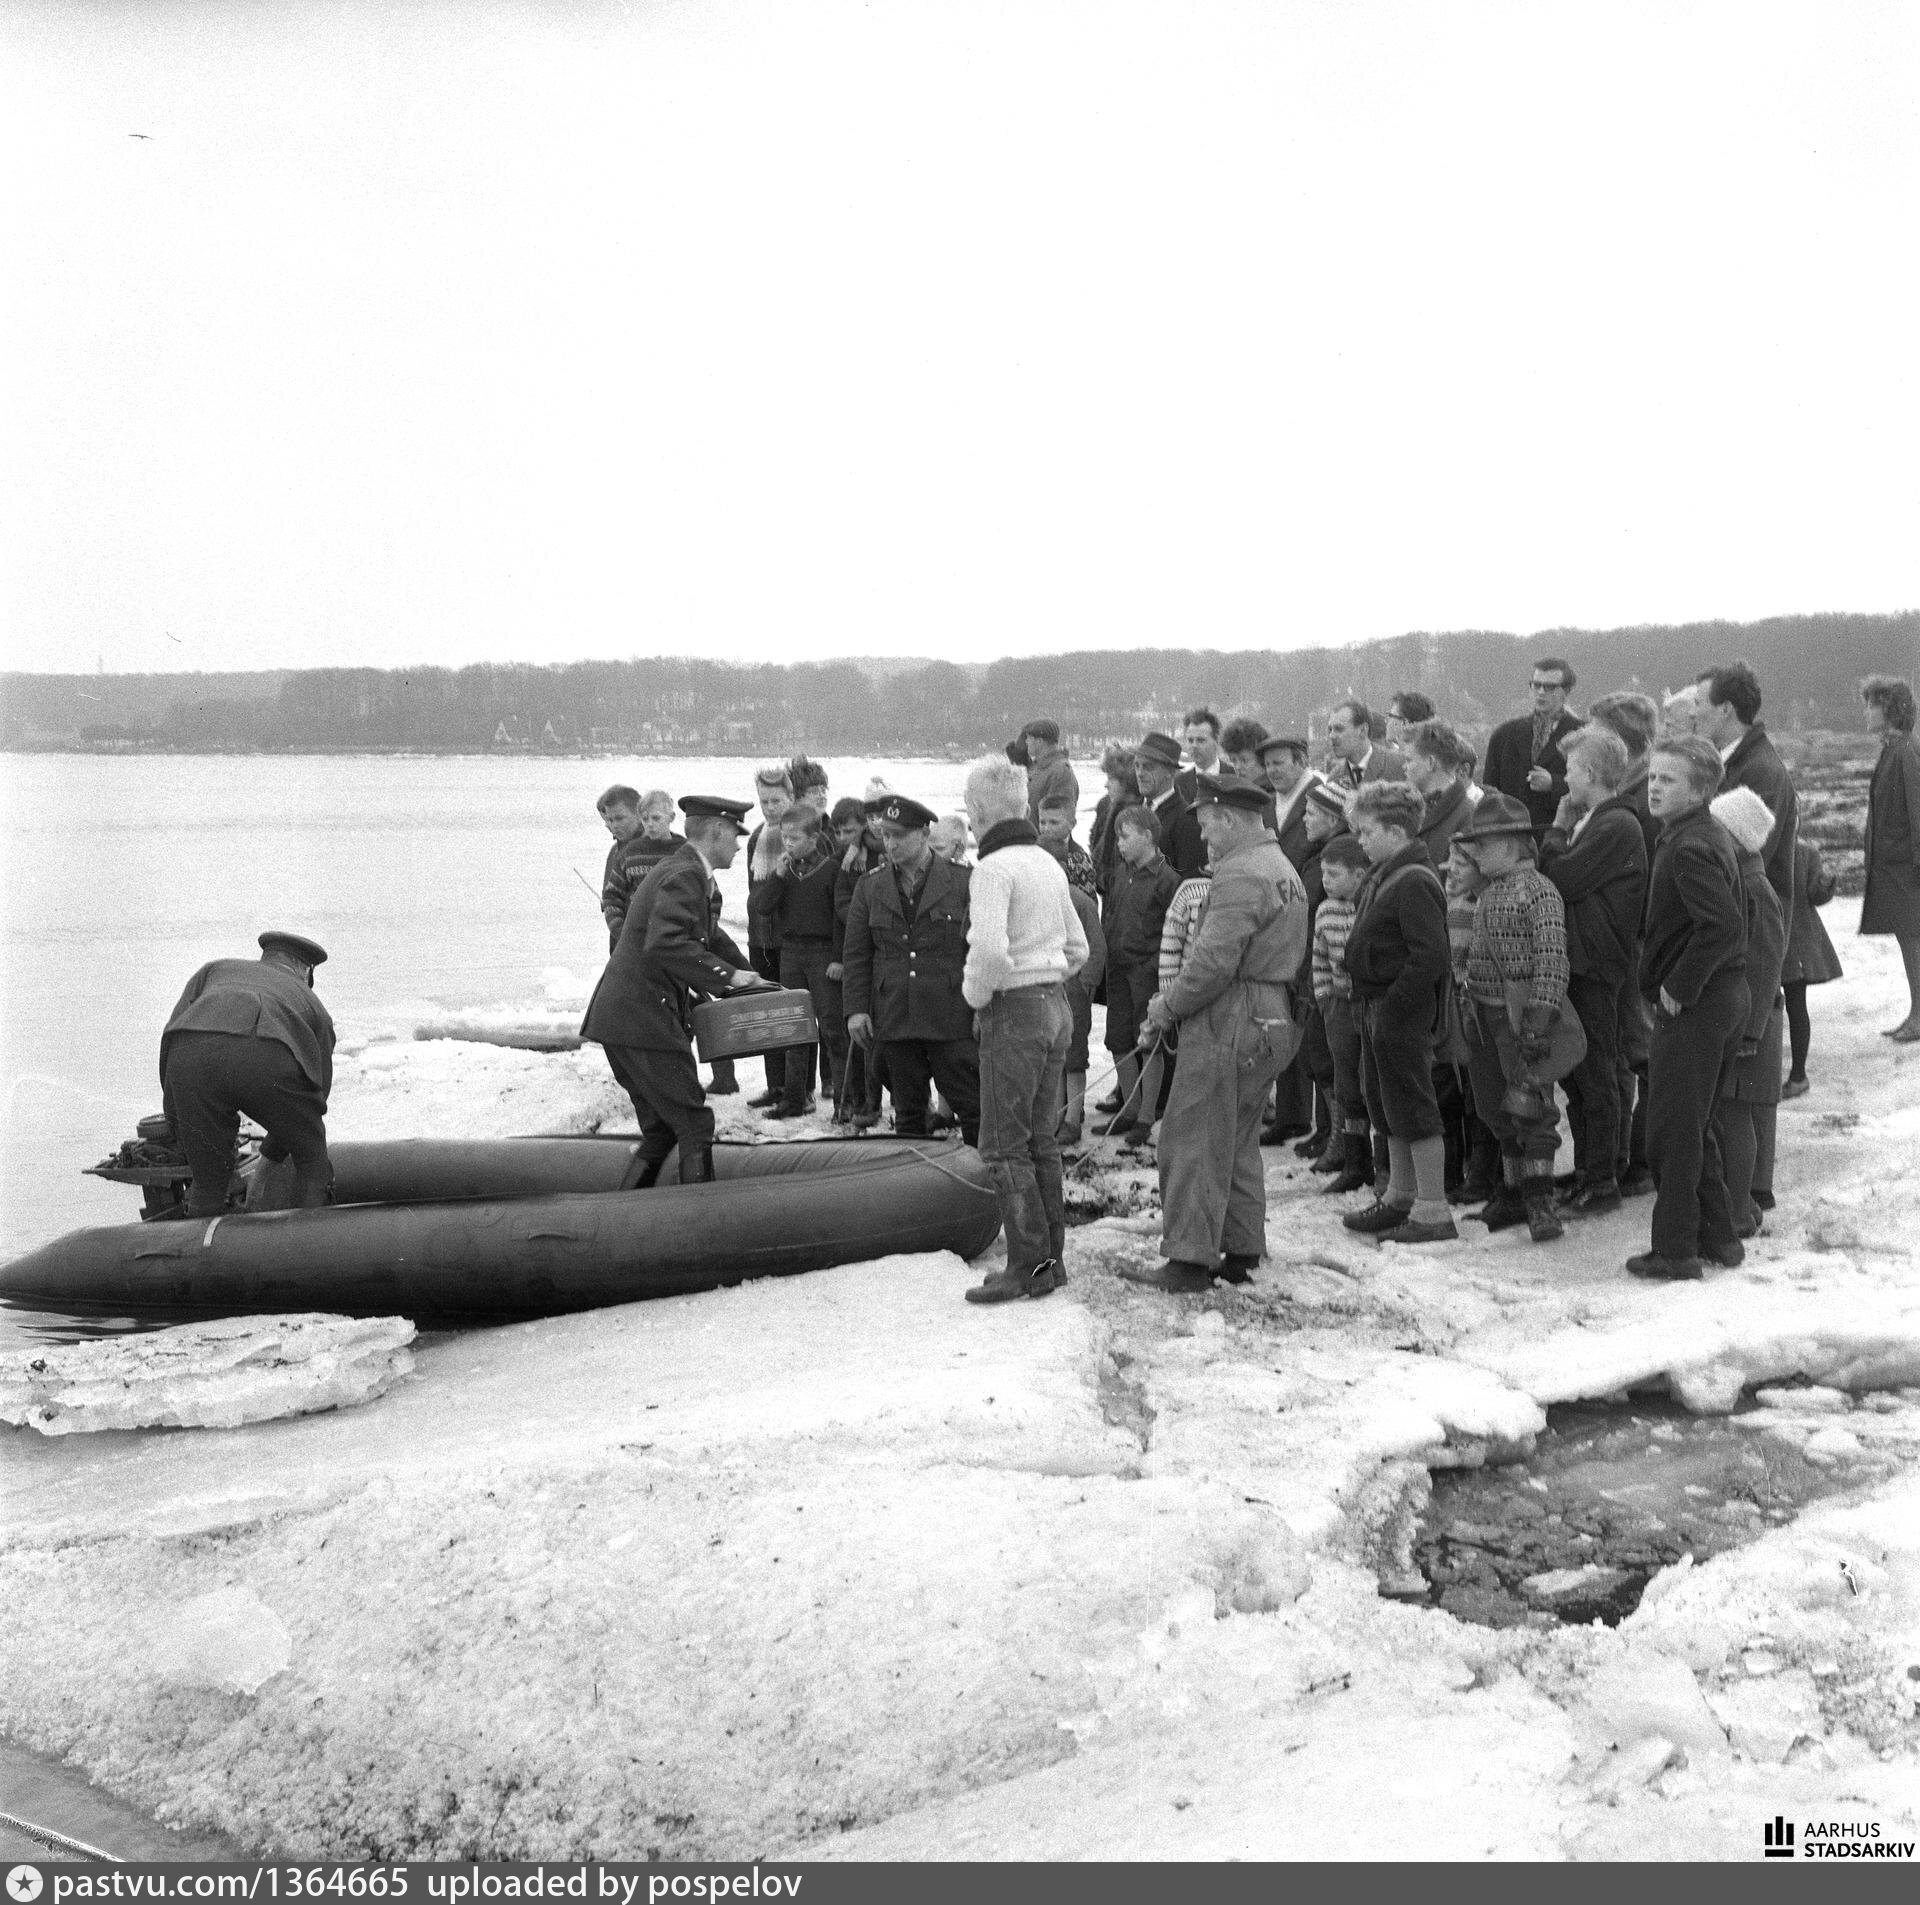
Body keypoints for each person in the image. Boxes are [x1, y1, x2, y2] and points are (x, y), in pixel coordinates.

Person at [1118, 775, 1308, 1291]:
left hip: (1232, 1016)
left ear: (1228, 819)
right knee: (1238, 1138)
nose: (1202, 837)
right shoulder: (1280, 866)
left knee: (1192, 1139)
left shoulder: (1241, 874)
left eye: (1206, 825)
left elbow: (1210, 964)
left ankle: (1187, 1260)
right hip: (1271, 1014)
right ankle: (1241, 1249)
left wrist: (1165, 1007)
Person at [959, 757, 1090, 1304]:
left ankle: (1027, 1266)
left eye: (969, 811)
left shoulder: (992, 869)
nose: (968, 821)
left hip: (1014, 1011)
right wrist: (1046, 974)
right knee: (1040, 1141)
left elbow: (989, 950)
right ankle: (1049, 1263)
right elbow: (1079, 947)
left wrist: (976, 995)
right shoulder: (1046, 864)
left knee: (1002, 1147)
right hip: (1055, 1005)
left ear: (981, 812)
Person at [579, 798, 760, 1187]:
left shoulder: (683, 870)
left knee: (661, 1130)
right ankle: (699, 1214)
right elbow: (667, 943)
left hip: (620, 1019)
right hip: (645, 1021)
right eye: (735, 835)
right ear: (716, 832)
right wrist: (729, 978)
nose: (737, 845)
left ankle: (633, 1207)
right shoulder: (685, 875)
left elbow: (709, 935)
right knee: (694, 1123)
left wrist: (752, 978)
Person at [1628, 735, 1749, 1281]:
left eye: (1668, 779)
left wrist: (1680, 985)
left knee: (1671, 1133)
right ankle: (1719, 1239)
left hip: (1698, 1006)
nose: (1653, 787)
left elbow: (1722, 925)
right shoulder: (1693, 833)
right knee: (1692, 1126)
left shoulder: (1689, 845)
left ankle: (1675, 1251)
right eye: (1652, 777)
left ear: (1700, 791)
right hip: (1719, 999)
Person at [1453, 793, 1573, 1244]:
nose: (1476, 854)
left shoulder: (1540, 891)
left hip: (1520, 1019)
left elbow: (1552, 958)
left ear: (1511, 844)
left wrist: (1538, 1020)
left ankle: (1540, 1200)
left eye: (1484, 845)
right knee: (1494, 1106)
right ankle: (1512, 1191)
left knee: (1532, 1107)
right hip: (1484, 1015)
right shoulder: (1489, 892)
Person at [1540, 724, 1648, 1215]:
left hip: (1596, 965)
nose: (1564, 779)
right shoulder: (1601, 822)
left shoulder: (1616, 825)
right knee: (1582, 1075)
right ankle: (1589, 1170)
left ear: (1590, 773)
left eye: (1569, 769)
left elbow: (1561, 877)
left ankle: (1602, 1180)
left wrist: (1557, 829)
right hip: (1586, 961)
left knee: (1597, 1073)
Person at [1340, 782, 1454, 1243]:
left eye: (1367, 832)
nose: (1361, 841)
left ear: (1395, 831)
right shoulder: (1386, 873)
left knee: (1413, 1104)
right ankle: (1400, 1196)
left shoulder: (1415, 880)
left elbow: (1430, 955)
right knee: (1387, 1104)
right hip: (1377, 1006)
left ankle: (1433, 1210)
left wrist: (1394, 1009)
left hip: (1399, 1010)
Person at [159, 930, 336, 1218]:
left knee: (207, 1183)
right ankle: (311, 1239)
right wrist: (268, 1162)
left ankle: (202, 1236)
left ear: (265, 958)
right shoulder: (312, 1004)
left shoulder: (213, 970)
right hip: (266, 1057)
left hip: (188, 1058)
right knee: (312, 1164)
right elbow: (316, 1095)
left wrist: (180, 1123)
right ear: (306, 972)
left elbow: (171, 1037)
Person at [841, 793, 981, 1143]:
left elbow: (978, 950)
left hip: (950, 1015)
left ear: (924, 834)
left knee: (972, 1105)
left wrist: (982, 1006)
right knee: (907, 1113)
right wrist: (856, 1010)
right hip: (896, 1016)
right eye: (887, 835)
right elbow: (857, 955)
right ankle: (915, 1172)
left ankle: (981, 1171)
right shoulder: (870, 886)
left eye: (900, 836)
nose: (891, 844)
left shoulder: (962, 882)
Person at [1587, 689, 1661, 1192]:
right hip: (1625, 942)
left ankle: (1642, 1161)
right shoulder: (1631, 793)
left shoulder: (1644, 801)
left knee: (1642, 1054)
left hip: (1636, 945)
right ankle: (1619, 1159)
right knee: (1625, 1053)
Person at [1708, 786, 1787, 1238]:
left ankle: (1738, 1210)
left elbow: (1766, 967)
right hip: (1744, 1025)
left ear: (1737, 839)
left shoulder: (1755, 890)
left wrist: (1750, 1033)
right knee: (1730, 1115)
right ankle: (1741, 1205)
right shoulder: (1743, 882)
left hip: (1750, 1029)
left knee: (1736, 1117)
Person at [748, 802, 846, 1120]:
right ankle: (795, 1098)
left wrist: (838, 958)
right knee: (793, 1028)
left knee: (832, 1028)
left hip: (822, 954)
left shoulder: (831, 870)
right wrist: (777, 877)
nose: (788, 844)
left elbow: (840, 920)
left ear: (814, 838)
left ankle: (845, 1101)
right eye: (785, 838)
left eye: (794, 838)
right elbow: (762, 907)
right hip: (790, 953)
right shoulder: (784, 871)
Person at [1099, 805, 1183, 1138]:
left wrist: (1157, 968)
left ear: (1148, 836)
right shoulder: (1121, 873)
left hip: (1147, 971)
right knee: (1117, 1039)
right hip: (1117, 968)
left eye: (1125, 836)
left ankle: (1146, 1117)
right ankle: (1130, 1108)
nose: (1119, 843)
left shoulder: (1167, 879)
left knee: (1150, 1042)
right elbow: (1110, 913)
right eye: (1117, 837)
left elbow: (1175, 931)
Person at [1696, 662, 1797, 909]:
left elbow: (1749, 860)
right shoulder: (1730, 763)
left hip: (1753, 919)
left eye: (1698, 704)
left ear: (1725, 709)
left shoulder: (1761, 771)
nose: (1692, 714)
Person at [1310, 836, 1373, 1194]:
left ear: (1359, 875)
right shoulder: (1325, 911)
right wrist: (1324, 998)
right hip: (1339, 1008)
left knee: (1372, 1083)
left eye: (1334, 874)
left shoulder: (1371, 904)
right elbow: (1319, 958)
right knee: (1346, 1083)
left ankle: (1383, 1163)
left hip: (1369, 1004)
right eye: (1323, 873)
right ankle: (1355, 1162)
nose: (1326, 881)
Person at [1860, 675, 1920, 1041]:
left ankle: (1919, 1016)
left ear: (1891, 710)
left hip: (1906, 869)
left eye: (1872, 705)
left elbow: (1917, 810)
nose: (1866, 712)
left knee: (1912, 940)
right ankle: (1916, 1013)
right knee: (1908, 939)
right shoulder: (1893, 749)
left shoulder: (1905, 751)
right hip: (1895, 867)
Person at [829, 795, 887, 1128]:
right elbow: (839, 906)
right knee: (859, 1030)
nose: (843, 839)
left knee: (881, 1034)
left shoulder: (884, 853)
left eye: (849, 831)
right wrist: (860, 916)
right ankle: (862, 1101)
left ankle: (883, 1100)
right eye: (838, 833)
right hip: (859, 947)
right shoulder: (846, 861)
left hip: (884, 948)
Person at [743, 764, 796, 1108]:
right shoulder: (756, 838)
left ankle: (799, 1088)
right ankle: (775, 1085)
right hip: (761, 939)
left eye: (777, 800)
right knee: (767, 1014)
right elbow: (754, 893)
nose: (770, 807)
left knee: (793, 1015)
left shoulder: (801, 836)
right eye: (764, 801)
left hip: (791, 940)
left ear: (791, 798)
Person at [1483, 658, 1583, 839]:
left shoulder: (1584, 735)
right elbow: (1489, 792)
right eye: (1536, 685)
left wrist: (1554, 784)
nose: (1541, 692)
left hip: (1559, 838)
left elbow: (1596, 788)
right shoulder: (1504, 734)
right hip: (1511, 839)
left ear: (1566, 691)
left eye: (1549, 687)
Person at [1780, 835, 1842, 1097]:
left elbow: (1815, 896)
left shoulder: (1806, 852)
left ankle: (1798, 1076)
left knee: (1796, 1006)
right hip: (1768, 937)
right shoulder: (1758, 846)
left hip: (1795, 941)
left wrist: (1825, 883)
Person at [1403, 721, 1478, 868]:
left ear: (1430, 762)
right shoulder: (1409, 807)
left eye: (1409, 760)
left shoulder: (1467, 816)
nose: (1404, 767)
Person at [1132, 732, 1206, 877]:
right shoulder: (1131, 811)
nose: (1140, 773)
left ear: (1170, 772)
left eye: (1148, 767)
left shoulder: (1187, 821)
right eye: (1137, 766)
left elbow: (1188, 883)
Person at [1258, 735, 1322, 873]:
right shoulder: (1267, 805)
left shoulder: (1321, 799)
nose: (1271, 771)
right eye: (1267, 765)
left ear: (1300, 762)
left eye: (1277, 763)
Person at [1089, 743, 1140, 905]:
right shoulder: (1106, 807)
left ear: (1127, 782)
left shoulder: (1138, 818)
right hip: (1109, 899)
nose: (1106, 784)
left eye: (1111, 779)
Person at [1325, 698, 1405, 791]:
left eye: (1339, 729)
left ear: (1363, 730)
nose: (1331, 736)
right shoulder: (1334, 779)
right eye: (1330, 729)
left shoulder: (1399, 765)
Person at [1018, 719, 1079, 830]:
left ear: (1039, 741)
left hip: (1043, 839)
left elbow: (1060, 819)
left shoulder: (1060, 772)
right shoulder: (1035, 767)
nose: (1026, 742)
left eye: (1029, 738)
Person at [1036, 795, 1097, 893]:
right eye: (1042, 822)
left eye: (1054, 822)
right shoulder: (1033, 851)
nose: (1046, 828)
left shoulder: (1081, 860)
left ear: (1072, 824)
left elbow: (1087, 899)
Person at [1174, 708, 1224, 803]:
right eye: (1190, 740)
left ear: (1216, 741)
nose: (1194, 746)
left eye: (1201, 740)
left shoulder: (1235, 775)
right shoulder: (1179, 783)